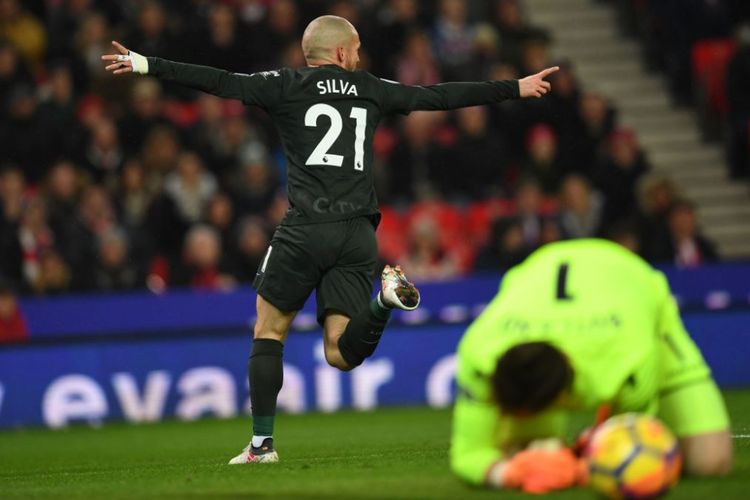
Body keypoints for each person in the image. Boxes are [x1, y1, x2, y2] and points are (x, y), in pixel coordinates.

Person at [103, 14, 557, 465]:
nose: (359, 57)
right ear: (341, 53)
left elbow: (219, 81)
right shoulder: (372, 89)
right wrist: (513, 87)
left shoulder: (285, 84)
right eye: (356, 50)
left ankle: (262, 446)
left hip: (305, 230)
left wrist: (147, 64)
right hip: (359, 234)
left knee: (269, 330)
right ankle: (383, 302)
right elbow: (438, 97)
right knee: (341, 353)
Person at [450, 238, 732, 493]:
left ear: (561, 396)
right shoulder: (480, 354)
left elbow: (631, 439)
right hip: (538, 271)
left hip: (632, 286)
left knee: (710, 462)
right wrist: (506, 473)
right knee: (527, 456)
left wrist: (584, 461)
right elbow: (466, 456)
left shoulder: (628, 362)